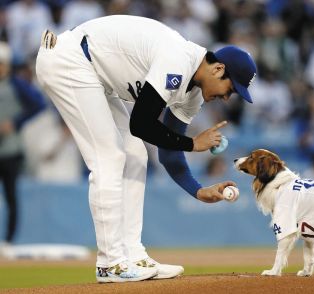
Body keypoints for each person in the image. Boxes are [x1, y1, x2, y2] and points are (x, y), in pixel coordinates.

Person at [35, 15, 257, 283]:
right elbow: (140, 124)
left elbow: (167, 151)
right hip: (69, 59)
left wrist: (198, 190)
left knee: (136, 154)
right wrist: (193, 144)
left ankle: (132, 254)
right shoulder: (178, 60)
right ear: (218, 69)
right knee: (109, 157)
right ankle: (110, 264)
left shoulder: (194, 94)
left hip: (94, 74)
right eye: (231, 89)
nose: (227, 97)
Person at [0, 42, 45, 247]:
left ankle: (8, 241)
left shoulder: (16, 84)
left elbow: (38, 104)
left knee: (11, 196)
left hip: (10, 149)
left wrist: (16, 123)